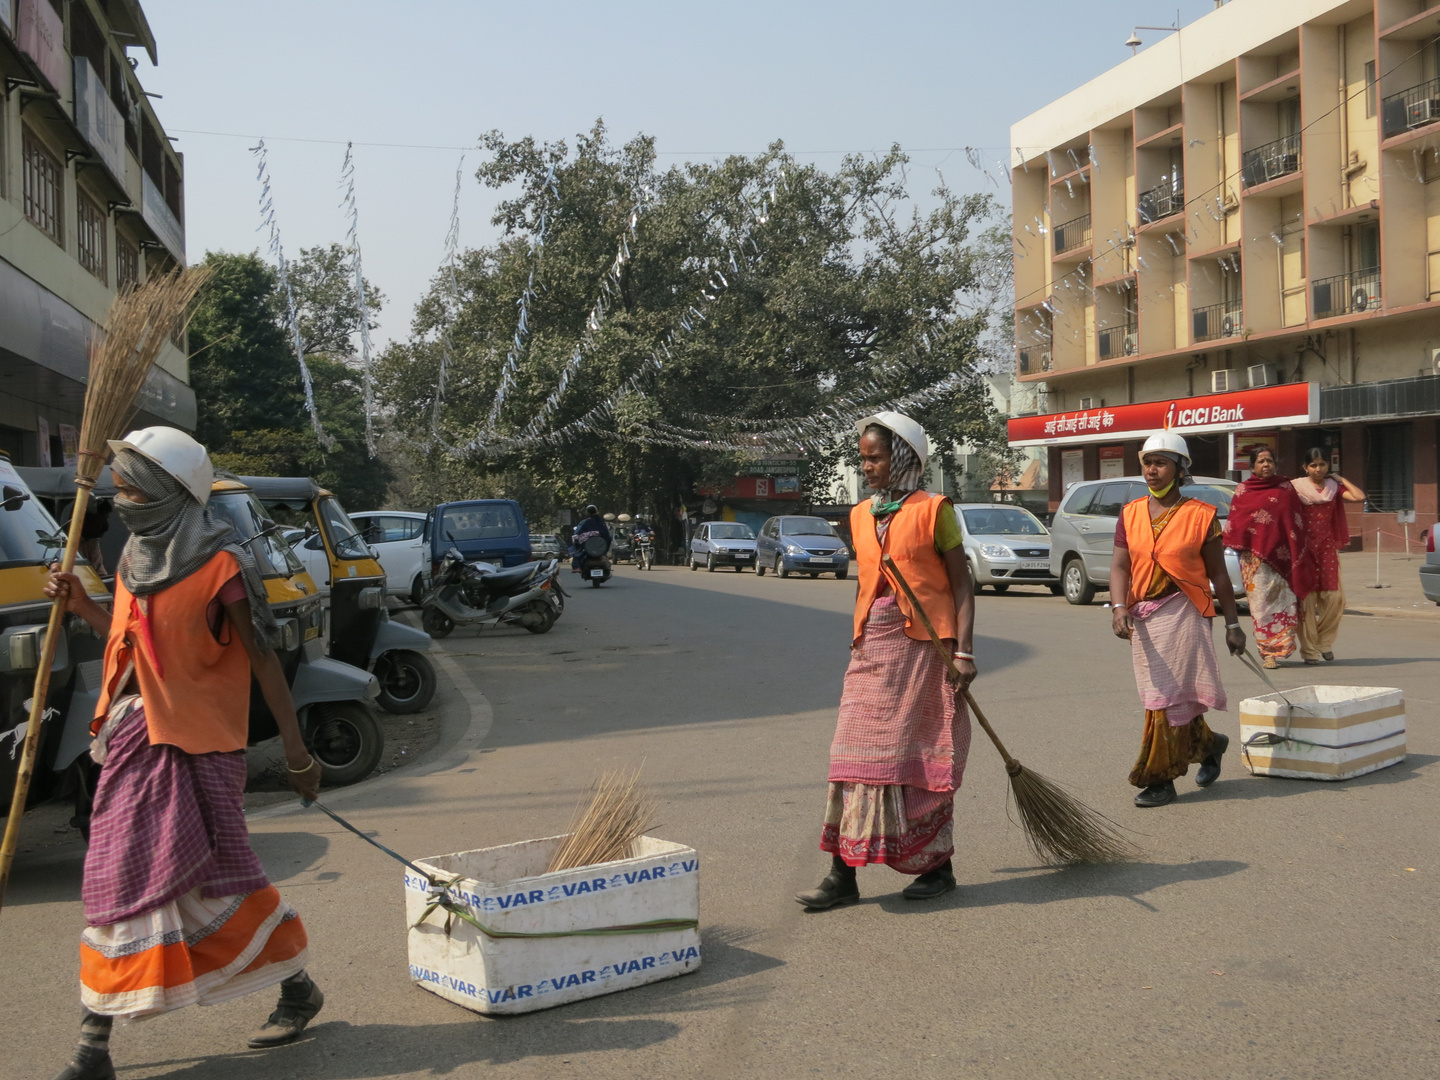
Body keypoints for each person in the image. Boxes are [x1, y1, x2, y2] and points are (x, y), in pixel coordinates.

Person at [43, 427, 324, 1080]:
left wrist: (297, 753)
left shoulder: (223, 566)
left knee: (190, 881)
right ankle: (296, 987)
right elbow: (134, 644)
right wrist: (84, 604)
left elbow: (262, 657)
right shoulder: (136, 560)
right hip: (135, 742)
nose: (122, 497)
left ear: (171, 493)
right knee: (162, 883)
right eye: (119, 485)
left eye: (133, 485)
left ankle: (92, 1049)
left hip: (198, 746)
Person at [797, 411, 975, 910]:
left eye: (874, 457)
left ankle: (938, 869)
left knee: (915, 760)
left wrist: (964, 651)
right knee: (850, 757)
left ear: (902, 458)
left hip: (925, 650)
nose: (867, 467)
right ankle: (842, 875)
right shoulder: (859, 515)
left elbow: (962, 585)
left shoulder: (934, 509)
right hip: (872, 651)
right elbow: (865, 583)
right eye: (863, 459)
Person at [1110, 432, 1246, 808]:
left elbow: (1219, 576)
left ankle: (1159, 778)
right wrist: (1119, 607)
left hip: (1186, 613)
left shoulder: (1201, 516)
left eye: (1160, 463)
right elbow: (1120, 566)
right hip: (1144, 616)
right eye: (1147, 463)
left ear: (1180, 468)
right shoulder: (1131, 512)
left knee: (1162, 701)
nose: (1151, 471)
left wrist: (1233, 626)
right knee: (1173, 698)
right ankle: (1210, 745)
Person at [1223, 446, 1310, 669]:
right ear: (1252, 466)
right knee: (1261, 606)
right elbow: (1237, 522)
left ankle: (1283, 647)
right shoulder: (1244, 490)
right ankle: (1267, 653)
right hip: (1254, 559)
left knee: (1285, 603)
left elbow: (1295, 521)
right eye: (1261, 461)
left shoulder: (1285, 488)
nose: (1266, 465)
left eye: (1269, 460)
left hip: (1283, 558)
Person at [1294, 448, 1364, 664]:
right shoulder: (1296, 487)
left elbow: (1359, 496)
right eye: (1313, 465)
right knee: (1306, 601)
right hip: (1304, 550)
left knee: (1334, 599)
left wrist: (1340, 478)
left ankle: (1325, 643)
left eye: (1322, 464)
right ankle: (1310, 651)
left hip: (1326, 549)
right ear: (1305, 467)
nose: (1318, 469)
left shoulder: (1334, 487)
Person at [570, 504, 610, 571]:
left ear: (587, 512)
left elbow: (577, 534)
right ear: (596, 511)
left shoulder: (583, 522)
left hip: (588, 546)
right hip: (600, 547)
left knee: (576, 548)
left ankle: (577, 567)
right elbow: (606, 534)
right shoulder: (601, 522)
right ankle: (604, 554)